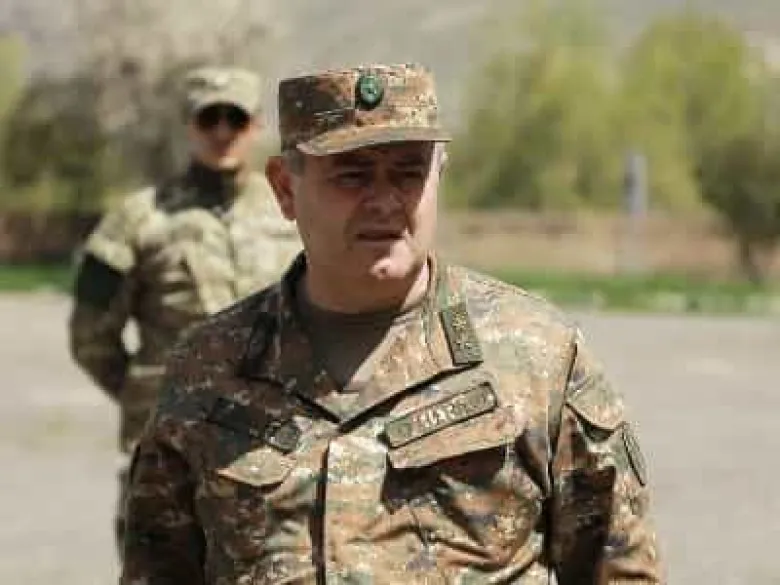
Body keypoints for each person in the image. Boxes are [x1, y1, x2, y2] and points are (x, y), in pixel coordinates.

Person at [120, 63, 663, 584]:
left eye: (408, 172)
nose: (384, 201)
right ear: (285, 189)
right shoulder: (208, 367)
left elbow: (621, 569)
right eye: (352, 176)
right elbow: (157, 568)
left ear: (438, 176)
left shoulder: (538, 356)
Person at [68, 66, 300, 553]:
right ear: (189, 125)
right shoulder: (137, 219)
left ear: (256, 125)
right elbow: (90, 336)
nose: (222, 131)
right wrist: (152, 392)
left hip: (273, 450)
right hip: (168, 452)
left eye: (235, 118)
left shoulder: (291, 211)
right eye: (209, 118)